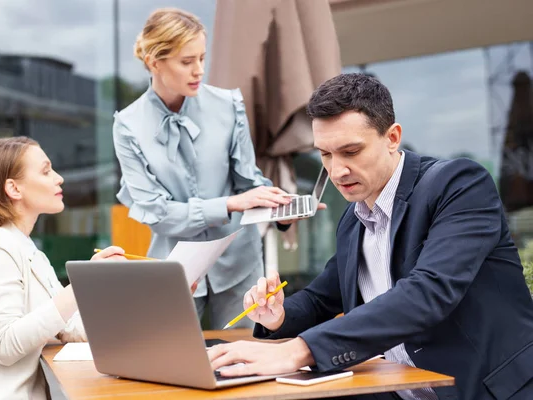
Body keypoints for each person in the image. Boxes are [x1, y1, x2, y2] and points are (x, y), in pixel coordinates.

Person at [208, 73, 533, 400]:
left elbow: (427, 293)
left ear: (392, 137)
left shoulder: (460, 186)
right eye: (325, 154)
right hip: (395, 390)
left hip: (486, 391)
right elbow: (322, 298)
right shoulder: (354, 218)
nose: (337, 171)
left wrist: (299, 350)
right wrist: (277, 317)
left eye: (350, 151)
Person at [113, 8, 292, 330]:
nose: (199, 71)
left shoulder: (229, 105)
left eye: (202, 58)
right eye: (186, 61)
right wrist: (227, 205)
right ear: (155, 62)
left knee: (248, 359)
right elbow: (155, 212)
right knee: (168, 359)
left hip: (240, 261)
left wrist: (280, 207)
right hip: (175, 266)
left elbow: (248, 181)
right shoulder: (127, 126)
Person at [0, 137, 126, 399]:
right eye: (46, 171)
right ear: (13, 188)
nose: (59, 178)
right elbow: (5, 345)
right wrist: (83, 284)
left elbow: (69, 328)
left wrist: (129, 294)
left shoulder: (29, 251)